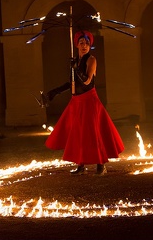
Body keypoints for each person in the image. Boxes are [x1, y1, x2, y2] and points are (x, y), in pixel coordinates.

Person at [44, 30, 125, 175]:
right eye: (81, 43)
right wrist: (53, 93)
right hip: (76, 101)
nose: (84, 46)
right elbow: (71, 83)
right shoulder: (75, 61)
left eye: (87, 43)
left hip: (89, 99)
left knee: (93, 132)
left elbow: (87, 81)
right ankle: (80, 166)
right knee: (78, 133)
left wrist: (76, 69)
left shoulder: (91, 60)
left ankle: (101, 165)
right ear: (76, 44)